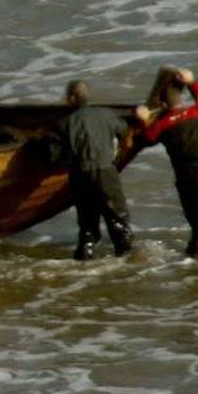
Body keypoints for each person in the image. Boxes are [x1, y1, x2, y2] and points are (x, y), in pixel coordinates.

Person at [135, 67, 198, 256]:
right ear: (181, 98)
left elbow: (145, 138)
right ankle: (194, 257)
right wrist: (192, 82)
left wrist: (143, 120)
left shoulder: (162, 125)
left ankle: (193, 255)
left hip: (184, 180)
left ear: (163, 104)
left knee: (194, 222)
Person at [46, 80, 133, 261]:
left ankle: (85, 259)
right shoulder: (107, 115)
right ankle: (126, 261)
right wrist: (119, 156)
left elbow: (54, 158)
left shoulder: (63, 124)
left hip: (80, 174)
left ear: (71, 99)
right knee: (118, 221)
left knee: (87, 226)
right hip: (106, 172)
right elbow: (125, 133)